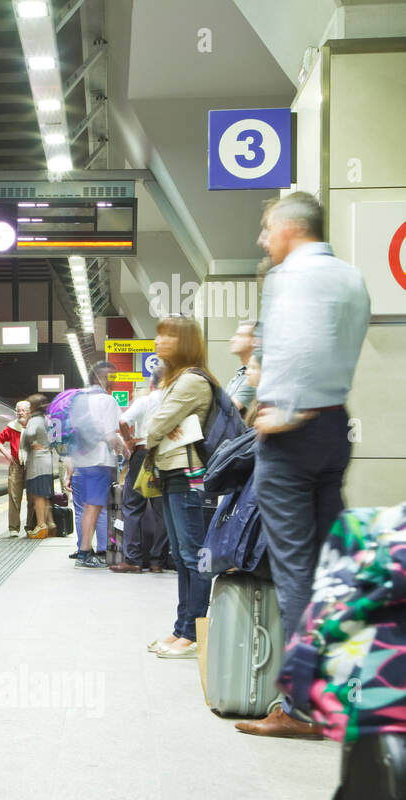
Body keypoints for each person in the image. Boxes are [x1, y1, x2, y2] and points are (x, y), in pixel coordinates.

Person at [234, 190, 371, 738]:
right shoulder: (352, 278)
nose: (263, 240)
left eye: (267, 229)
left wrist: (283, 412)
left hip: (295, 439)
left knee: (294, 572)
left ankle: (299, 710)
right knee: (327, 570)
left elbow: (297, 350)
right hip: (336, 426)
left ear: (291, 228)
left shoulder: (290, 278)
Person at [144, 316, 216, 659]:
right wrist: (161, 428)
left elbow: (154, 426)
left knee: (192, 556)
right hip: (173, 473)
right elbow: (160, 425)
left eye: (168, 335)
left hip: (189, 476)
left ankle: (194, 632)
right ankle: (181, 628)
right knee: (182, 556)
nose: (159, 341)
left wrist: (159, 429)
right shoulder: (175, 381)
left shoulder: (190, 382)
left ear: (185, 342)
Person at [110, 365, 170, 573]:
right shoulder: (174, 400)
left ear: (152, 383)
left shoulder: (146, 400)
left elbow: (122, 421)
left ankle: (133, 559)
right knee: (163, 510)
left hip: (144, 454)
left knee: (133, 506)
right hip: (166, 456)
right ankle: (157, 562)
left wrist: (128, 441)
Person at [64, 362, 123, 568]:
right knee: (94, 508)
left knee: (88, 507)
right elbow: (110, 434)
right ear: (102, 378)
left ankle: (85, 550)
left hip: (81, 461)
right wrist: (126, 450)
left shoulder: (78, 401)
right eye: (112, 376)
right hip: (99, 461)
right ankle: (85, 553)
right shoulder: (107, 401)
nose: (114, 380)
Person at [19, 393, 55, 540]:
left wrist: (32, 442)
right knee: (45, 496)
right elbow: (54, 438)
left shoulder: (35, 420)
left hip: (37, 463)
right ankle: (51, 524)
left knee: (38, 496)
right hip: (47, 461)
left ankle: (40, 526)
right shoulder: (47, 420)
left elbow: (29, 433)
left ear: (33, 407)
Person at [0, 401, 31, 538]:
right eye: (18, 410)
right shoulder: (11, 427)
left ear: (29, 412)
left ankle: (30, 526)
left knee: (32, 497)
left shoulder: (34, 427)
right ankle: (13, 528)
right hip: (16, 464)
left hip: (31, 464)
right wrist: (7, 455)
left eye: (23, 410)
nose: (20, 413)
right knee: (14, 496)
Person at [223, 321, 257, 412]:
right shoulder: (240, 374)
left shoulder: (255, 376)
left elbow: (225, 411)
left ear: (255, 341)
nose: (232, 340)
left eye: (240, 335)